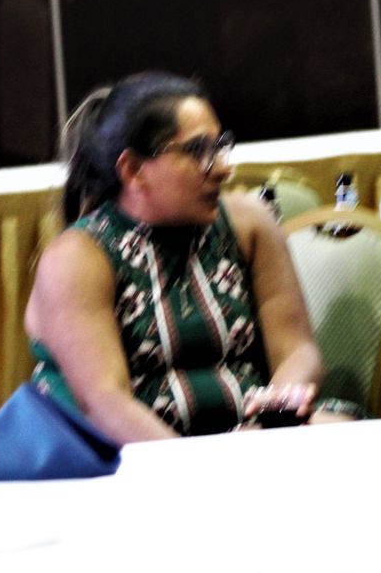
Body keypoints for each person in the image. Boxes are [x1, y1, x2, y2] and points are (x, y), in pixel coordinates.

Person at [25, 72, 339, 442]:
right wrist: (200, 468)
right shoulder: (77, 257)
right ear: (133, 170)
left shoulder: (249, 223)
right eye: (197, 151)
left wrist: (278, 407)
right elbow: (105, 404)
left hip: (250, 436)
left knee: (343, 434)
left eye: (220, 146)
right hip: (140, 452)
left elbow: (298, 349)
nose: (222, 168)